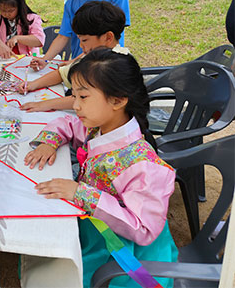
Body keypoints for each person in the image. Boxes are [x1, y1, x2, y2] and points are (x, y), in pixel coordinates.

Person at [25, 48, 177, 287]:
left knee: (49, 274)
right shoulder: (101, 126)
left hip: (119, 251)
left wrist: (80, 193)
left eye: (83, 97)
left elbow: (144, 230)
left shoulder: (142, 164)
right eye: (73, 96)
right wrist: (49, 142)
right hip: (97, 229)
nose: (75, 105)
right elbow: (67, 123)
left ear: (118, 100)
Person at [20, 1, 127, 112]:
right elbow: (62, 73)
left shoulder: (115, 67)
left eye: (84, 40)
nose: (81, 46)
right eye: (79, 40)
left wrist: (44, 104)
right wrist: (32, 85)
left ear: (108, 37)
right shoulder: (90, 57)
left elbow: (85, 99)